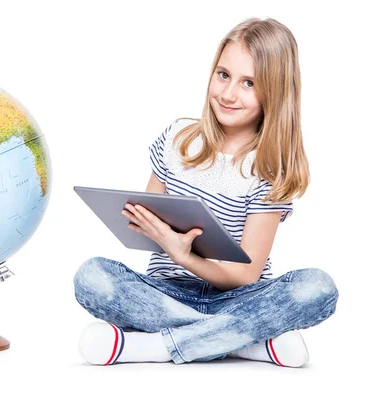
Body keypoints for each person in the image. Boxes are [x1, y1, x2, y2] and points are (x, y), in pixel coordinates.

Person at [73, 17, 339, 367]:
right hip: (166, 292)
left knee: (317, 288)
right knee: (92, 277)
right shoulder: (177, 138)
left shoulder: (269, 169)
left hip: (240, 298)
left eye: (249, 83)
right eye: (224, 75)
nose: (229, 94)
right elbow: (147, 223)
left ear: (275, 92)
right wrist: (149, 230)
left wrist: (186, 256)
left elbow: (246, 275)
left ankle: (151, 347)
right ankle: (243, 341)